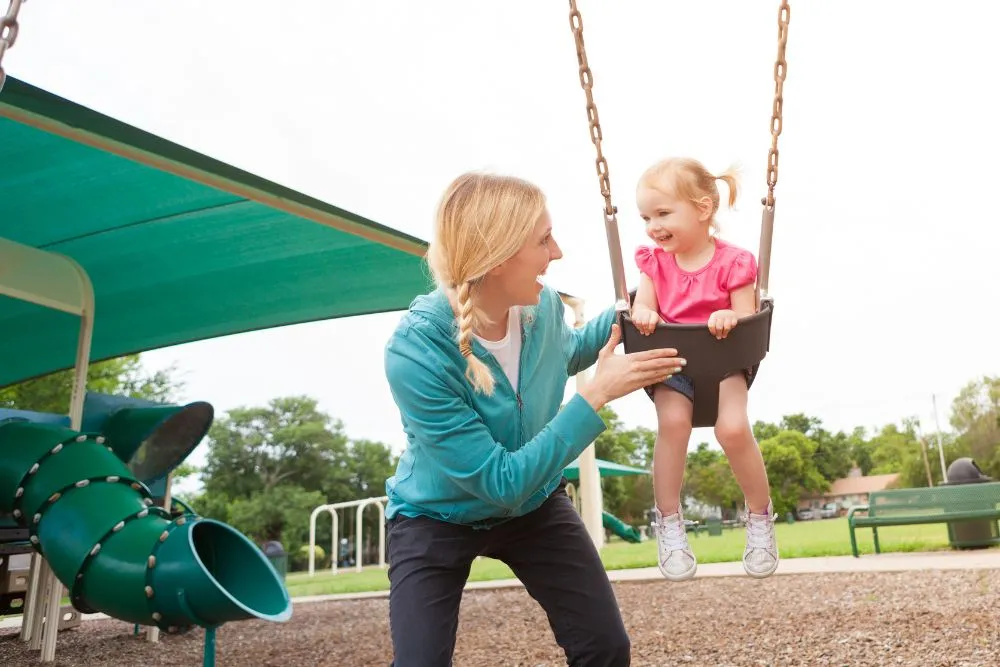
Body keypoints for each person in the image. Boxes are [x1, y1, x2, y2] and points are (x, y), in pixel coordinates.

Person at [382, 172, 686, 667]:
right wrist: (596, 395)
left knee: (605, 647)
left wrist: (647, 299)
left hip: (535, 507)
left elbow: (567, 352)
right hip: (436, 517)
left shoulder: (540, 305)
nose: (558, 251)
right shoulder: (418, 349)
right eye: (543, 239)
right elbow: (500, 482)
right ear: (498, 256)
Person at [629, 157, 779, 583]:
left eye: (662, 213)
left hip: (725, 362)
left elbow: (745, 313)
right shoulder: (654, 264)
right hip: (674, 364)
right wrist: (643, 315)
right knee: (673, 424)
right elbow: (643, 304)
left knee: (731, 429)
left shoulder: (735, 262)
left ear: (703, 208)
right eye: (646, 217)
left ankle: (759, 517)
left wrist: (728, 317)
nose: (652, 226)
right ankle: (671, 523)